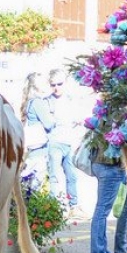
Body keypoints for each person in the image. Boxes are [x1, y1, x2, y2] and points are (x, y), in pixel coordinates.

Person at [90, 142, 127, 253]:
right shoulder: (113, 122)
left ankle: (121, 251)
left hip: (118, 165)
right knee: (102, 211)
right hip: (109, 165)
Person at [45, 68, 80, 214]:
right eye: (53, 85)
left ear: (65, 83)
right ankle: (54, 208)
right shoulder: (47, 101)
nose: (56, 87)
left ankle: (74, 205)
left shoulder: (72, 100)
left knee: (71, 175)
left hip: (69, 142)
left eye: (59, 84)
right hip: (55, 142)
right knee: (54, 176)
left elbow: (77, 119)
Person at [19, 72, 51, 183]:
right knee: (39, 184)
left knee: (30, 184)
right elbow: (49, 123)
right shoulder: (38, 102)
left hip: (32, 150)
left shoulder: (29, 102)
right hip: (40, 150)